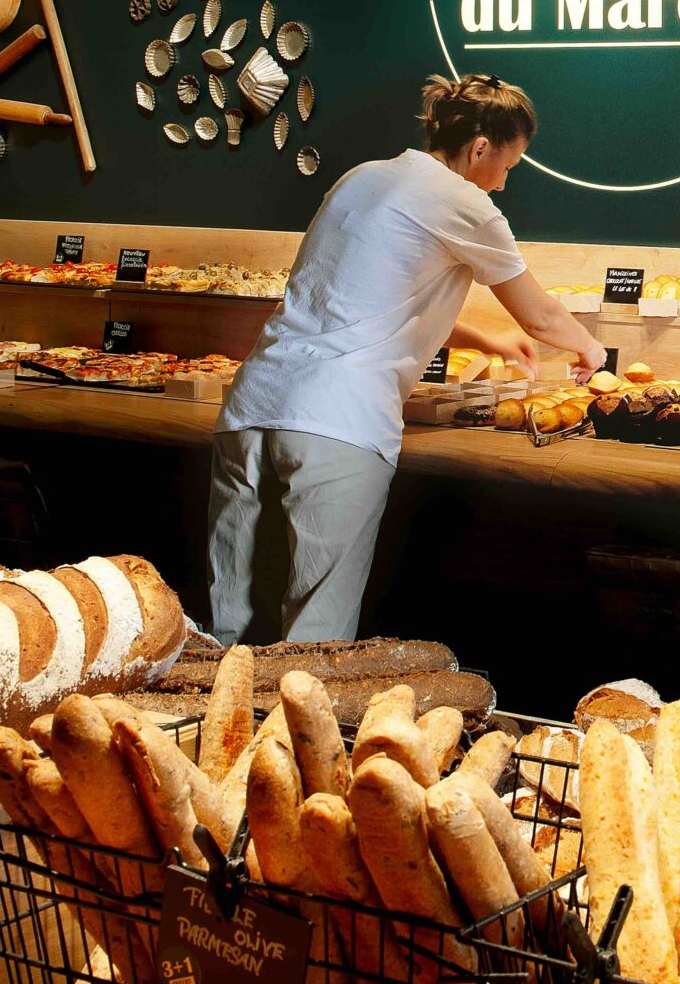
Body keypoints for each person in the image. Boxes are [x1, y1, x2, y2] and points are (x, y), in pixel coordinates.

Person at [211, 75, 605, 643]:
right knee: (313, 645)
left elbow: (359, 297)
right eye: (510, 165)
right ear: (479, 149)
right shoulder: (468, 204)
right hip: (336, 425)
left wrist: (486, 343)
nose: (503, 182)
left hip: (251, 408)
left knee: (231, 628)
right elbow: (541, 316)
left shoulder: (361, 178)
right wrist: (591, 350)